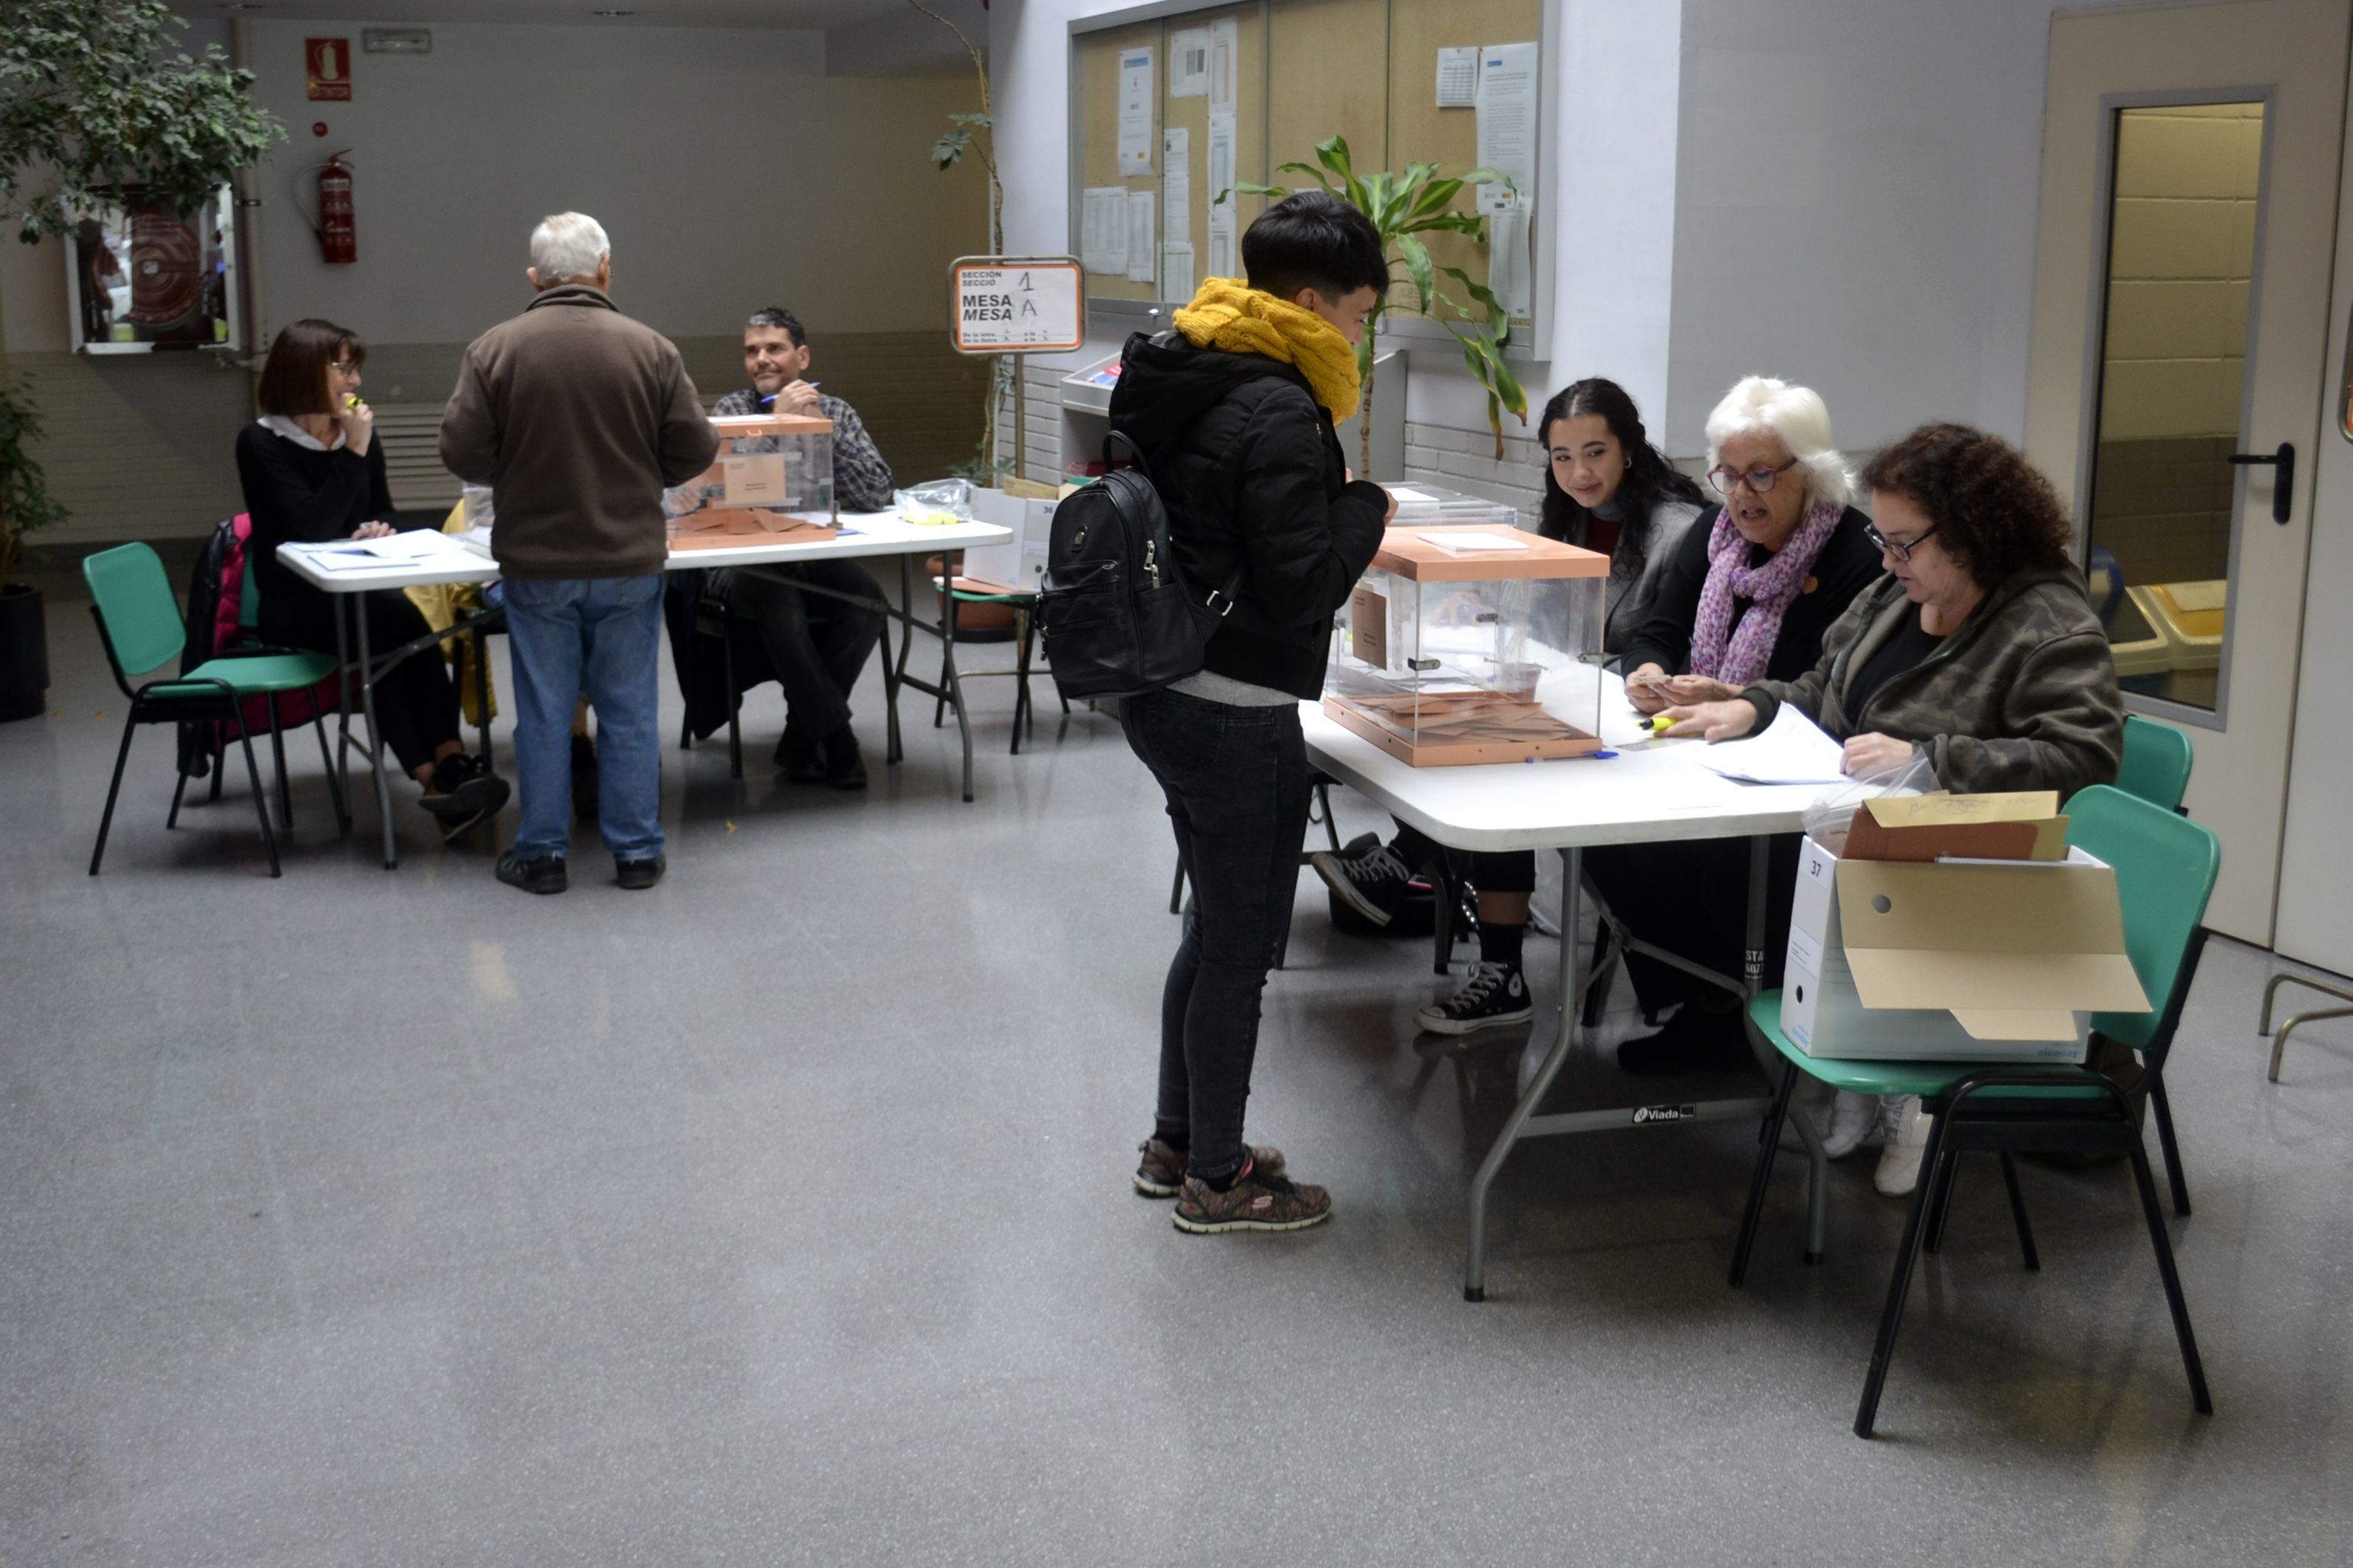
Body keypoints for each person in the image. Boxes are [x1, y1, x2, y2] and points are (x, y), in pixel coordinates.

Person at [1660, 421, 2126, 1195]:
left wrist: (1930, 759)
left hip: (1976, 862)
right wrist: (1751, 707)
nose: (1884, 559)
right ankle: (1850, 1058)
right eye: (1882, 537)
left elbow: (2083, 759)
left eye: (1902, 542)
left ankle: (1898, 1078)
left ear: (1972, 535)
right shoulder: (1893, 592)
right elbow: (1821, 687)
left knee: (1778, 875)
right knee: (1724, 869)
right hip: (1866, 831)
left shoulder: (2046, 622)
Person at [1111, 191, 1395, 1233]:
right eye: (1359, 317)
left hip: (1164, 684)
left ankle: (1176, 1142)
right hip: (1234, 704)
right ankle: (1219, 1180)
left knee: (1210, 929)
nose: (1358, 336)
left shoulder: (1187, 360)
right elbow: (1301, 585)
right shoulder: (1279, 405)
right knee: (1239, 947)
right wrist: (1364, 503)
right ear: (1312, 301)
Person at [1309, 378, 1711, 1034]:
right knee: (1486, 755)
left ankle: (1419, 878)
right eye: (1562, 457)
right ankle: (1496, 965)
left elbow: (1662, 648)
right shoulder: (1566, 515)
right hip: (1561, 705)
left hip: (1632, 726)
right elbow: (1542, 615)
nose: (1578, 472)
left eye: (1595, 453)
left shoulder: (1678, 532)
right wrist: (1480, 607)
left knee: (1500, 763)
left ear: (1629, 450)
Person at [439, 212, 720, 895]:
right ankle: (637, 855)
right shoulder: (651, 349)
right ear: (605, 268)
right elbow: (698, 450)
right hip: (629, 562)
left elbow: (462, 453)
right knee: (628, 709)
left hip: (538, 566)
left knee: (543, 709)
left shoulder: (494, 350)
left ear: (535, 279)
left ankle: (541, 856)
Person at [236, 318, 508, 824]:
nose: (355, 382)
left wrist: (379, 529)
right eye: (343, 368)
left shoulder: (357, 433)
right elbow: (308, 526)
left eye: (355, 369)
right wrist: (354, 452)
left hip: (357, 588)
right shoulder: (261, 443)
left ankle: (444, 767)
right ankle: (438, 771)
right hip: (292, 601)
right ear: (302, 371)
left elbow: (382, 511)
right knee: (387, 628)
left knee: (401, 625)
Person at [701, 306, 896, 788]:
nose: (762, 359)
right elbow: (726, 497)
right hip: (740, 560)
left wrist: (816, 432)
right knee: (781, 602)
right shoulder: (730, 412)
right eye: (752, 351)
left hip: (812, 553)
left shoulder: (836, 411)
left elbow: (876, 492)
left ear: (802, 356)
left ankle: (802, 734)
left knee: (867, 600)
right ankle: (839, 740)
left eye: (775, 348)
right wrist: (780, 429)